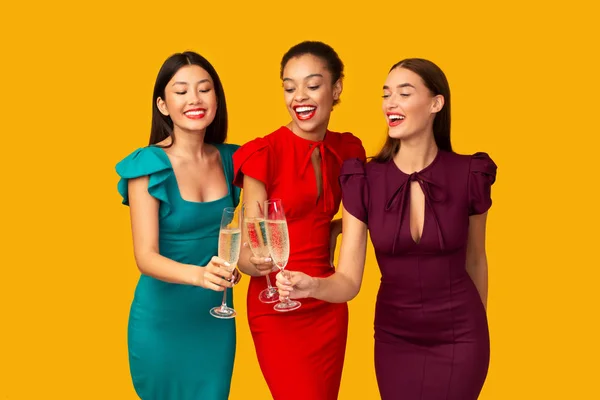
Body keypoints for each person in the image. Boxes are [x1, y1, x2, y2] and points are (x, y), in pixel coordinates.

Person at [276, 58, 497, 400]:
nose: (390, 103)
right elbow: (348, 281)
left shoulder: (470, 173)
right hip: (396, 337)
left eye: (404, 93)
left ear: (436, 103)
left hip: (461, 335)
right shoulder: (363, 179)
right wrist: (312, 285)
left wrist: (477, 327)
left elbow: (476, 260)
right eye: (386, 94)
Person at [233, 41, 366, 400]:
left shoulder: (350, 151)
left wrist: (338, 229)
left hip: (327, 300)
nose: (299, 97)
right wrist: (257, 262)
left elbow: (347, 221)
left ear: (336, 89)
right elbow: (246, 253)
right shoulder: (263, 153)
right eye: (289, 87)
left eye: (312, 84)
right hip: (276, 304)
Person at [115, 51, 241, 400]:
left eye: (204, 89)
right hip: (162, 322)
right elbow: (146, 257)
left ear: (217, 99)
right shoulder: (147, 164)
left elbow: (248, 235)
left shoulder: (233, 159)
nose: (195, 100)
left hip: (215, 322)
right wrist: (200, 276)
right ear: (163, 105)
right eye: (181, 91)